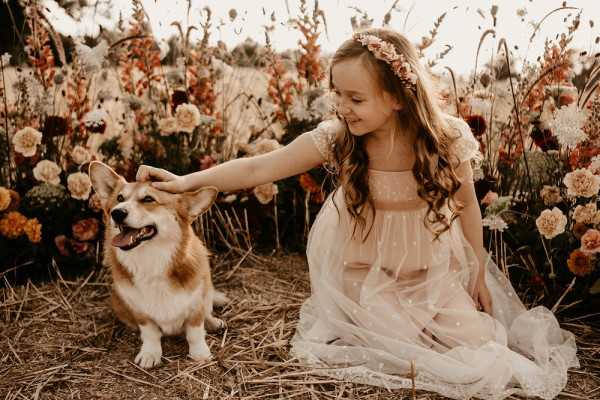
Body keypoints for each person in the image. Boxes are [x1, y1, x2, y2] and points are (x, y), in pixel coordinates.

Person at [136, 28, 578, 400]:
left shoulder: (446, 139)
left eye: (355, 98)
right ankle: (371, 323)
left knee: (477, 347)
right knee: (399, 350)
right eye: (337, 95)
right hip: (367, 274)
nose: (342, 107)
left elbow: (466, 208)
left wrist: (477, 271)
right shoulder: (339, 136)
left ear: (398, 98)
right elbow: (260, 166)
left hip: (431, 272)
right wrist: (183, 181)